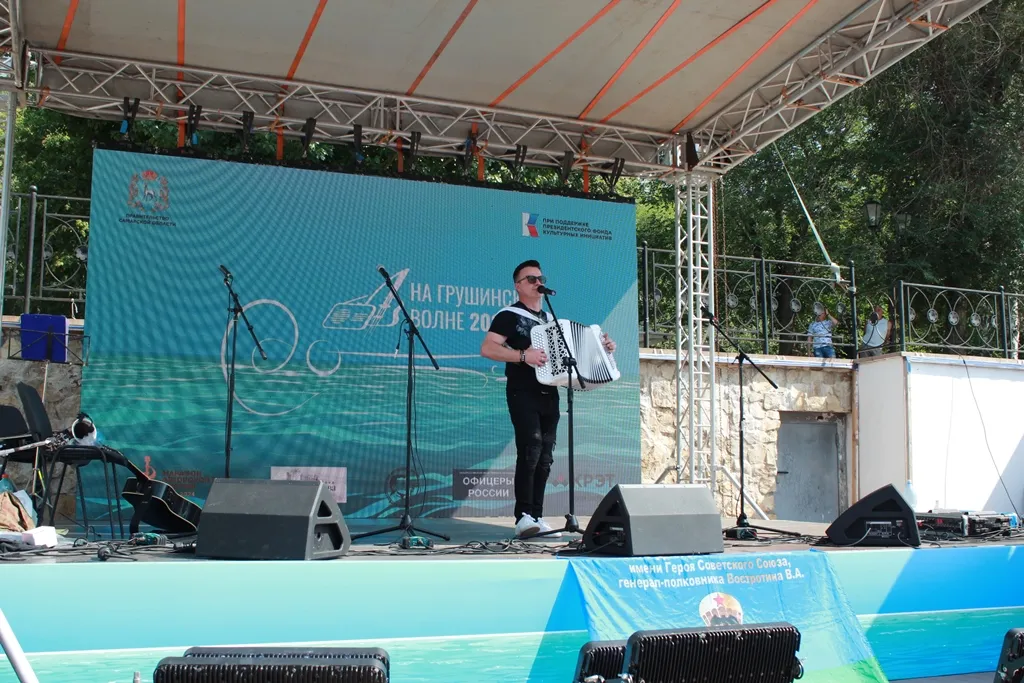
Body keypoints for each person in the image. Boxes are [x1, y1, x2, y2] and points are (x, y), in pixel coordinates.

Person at [480, 259, 615, 539]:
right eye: (531, 279)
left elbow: (572, 355)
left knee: (545, 456)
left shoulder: (550, 321)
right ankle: (523, 517)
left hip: (549, 393)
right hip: (522, 390)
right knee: (530, 449)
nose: (538, 282)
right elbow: (488, 348)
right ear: (518, 286)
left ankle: (537, 516)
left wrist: (602, 349)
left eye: (540, 278)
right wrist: (523, 355)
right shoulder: (509, 315)